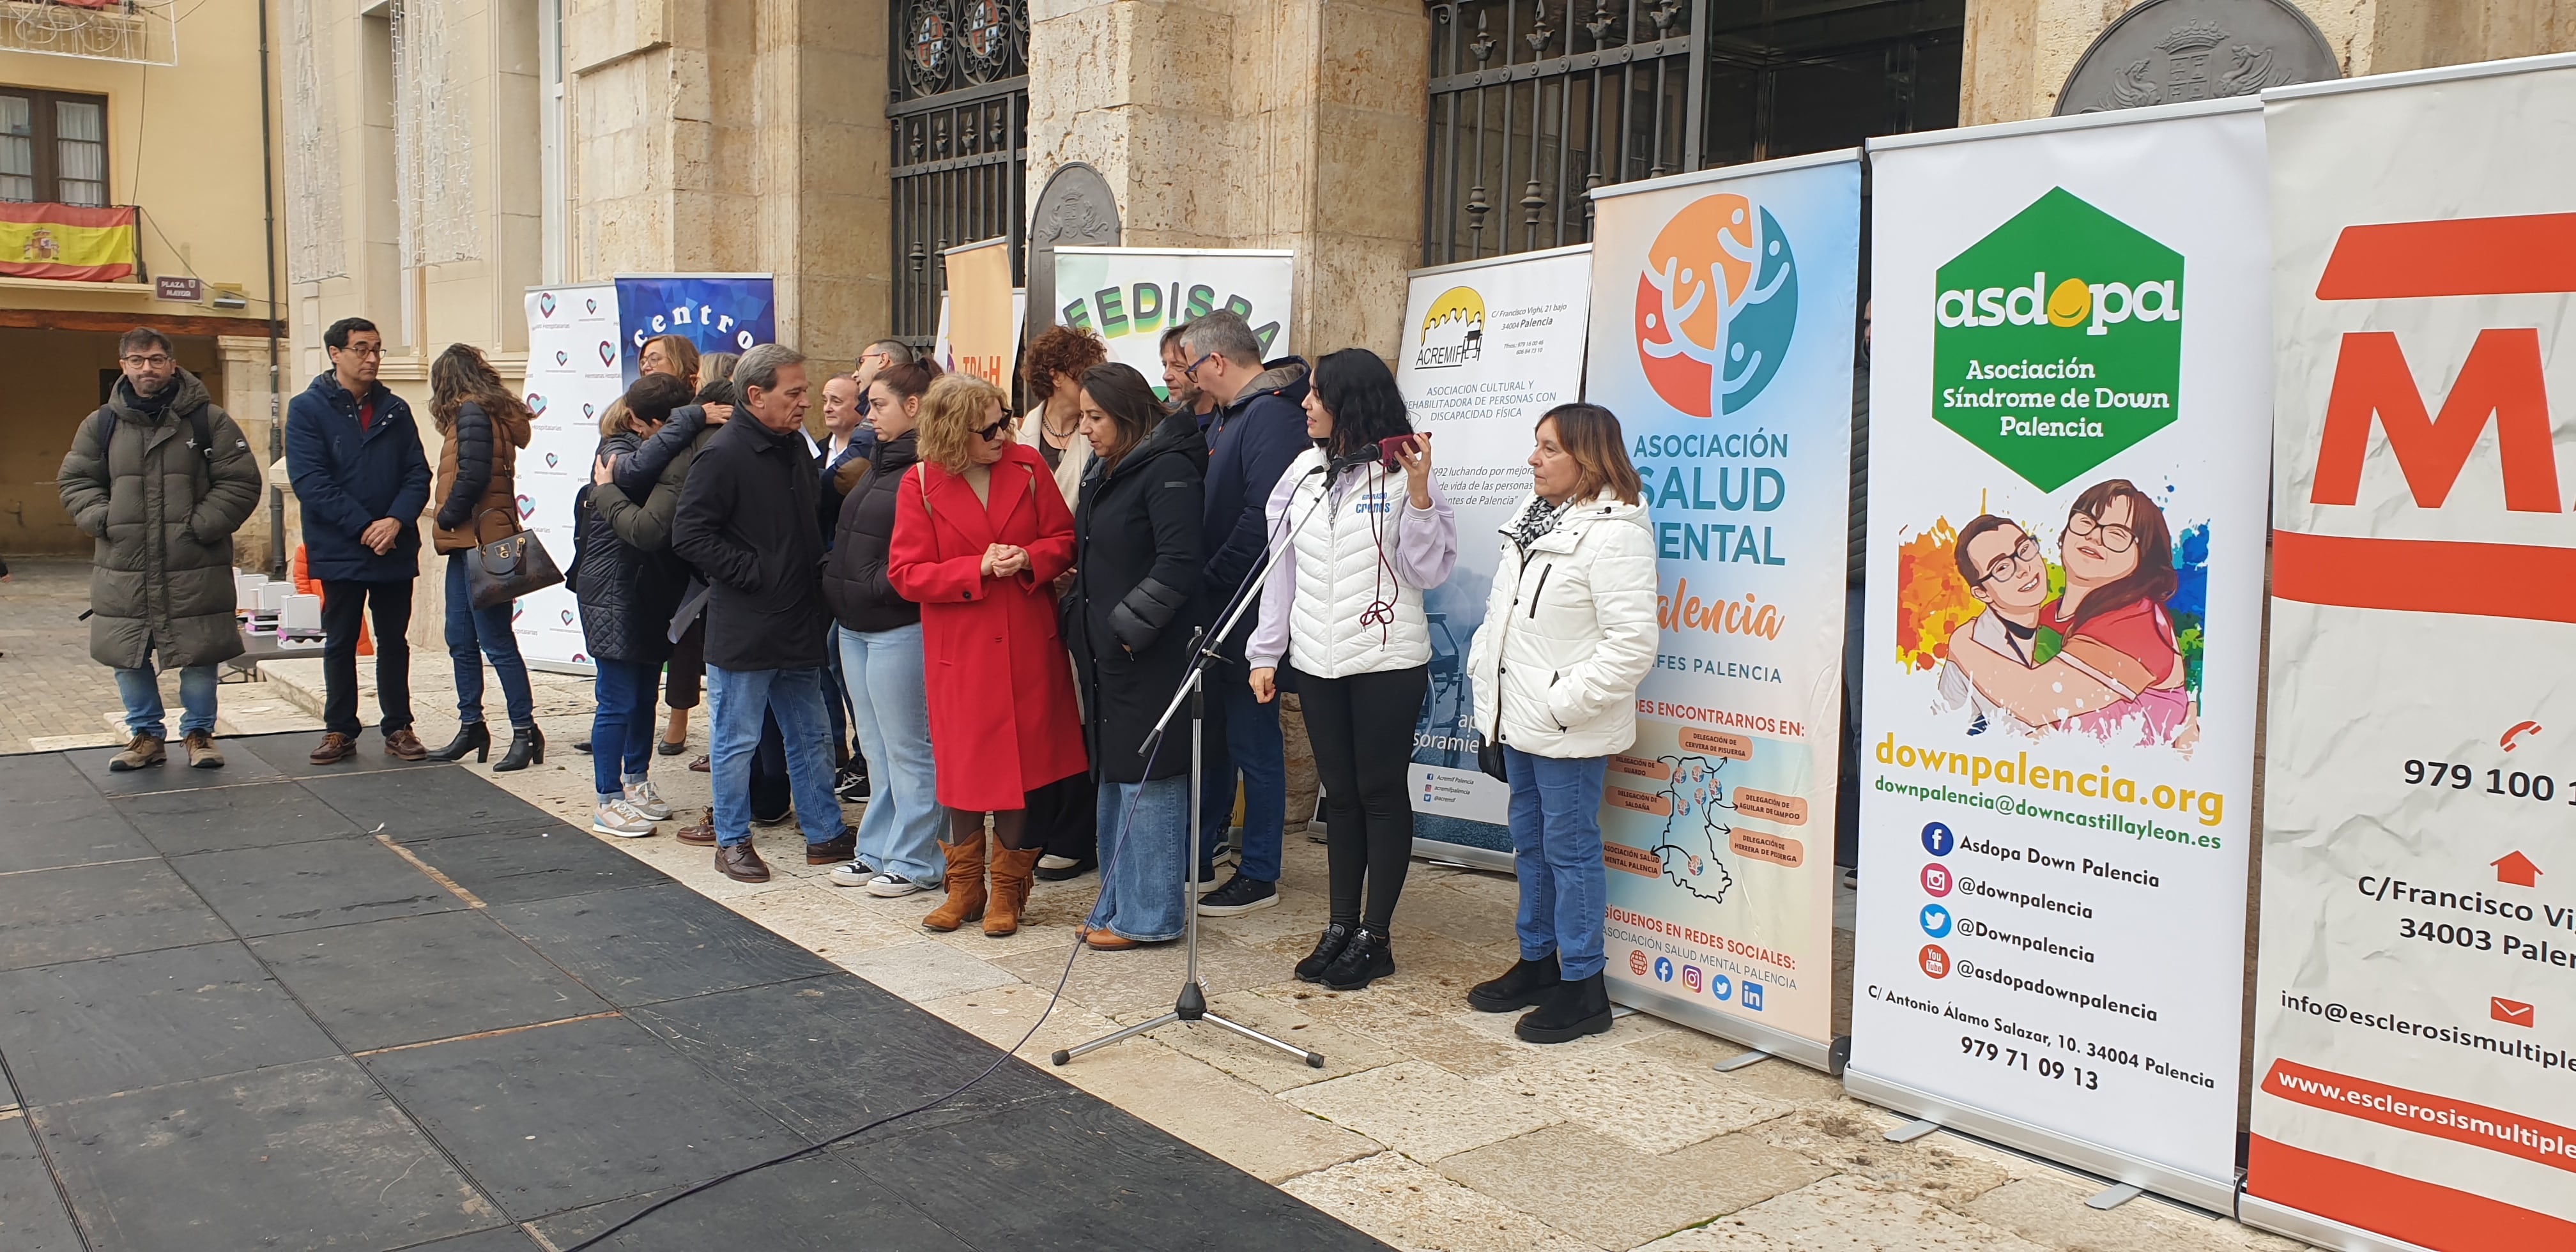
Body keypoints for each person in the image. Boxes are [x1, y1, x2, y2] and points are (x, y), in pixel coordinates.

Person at [1247, 349, 1457, 988]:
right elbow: (1278, 569)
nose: (1306, 404)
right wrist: (1266, 651)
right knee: (1340, 796)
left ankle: (1377, 935)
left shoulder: (1404, 474)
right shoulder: (1303, 474)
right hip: (1317, 660)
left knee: (1380, 792)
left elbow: (1428, 571)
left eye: (1317, 393)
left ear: (1350, 401)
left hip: (1388, 660)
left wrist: (1419, 498)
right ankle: (1340, 925)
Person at [1463, 403, 1657, 1044]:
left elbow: (1632, 644)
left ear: (1587, 459)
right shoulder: (1532, 518)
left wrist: (1560, 703)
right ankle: (1539, 959)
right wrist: (1491, 693)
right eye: (1536, 445)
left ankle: (1584, 987)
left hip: (1564, 727)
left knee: (1570, 850)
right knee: (1531, 843)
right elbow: (1505, 616)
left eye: (1548, 448)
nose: (1533, 458)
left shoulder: (1616, 532)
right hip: (1519, 717)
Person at [887, 373, 1087, 938]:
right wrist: (974, 568)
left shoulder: (1027, 468)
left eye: (1005, 420)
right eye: (991, 427)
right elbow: (906, 573)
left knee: (1023, 773)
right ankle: (965, 888)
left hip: (1026, 639)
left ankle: (1008, 893)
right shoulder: (920, 483)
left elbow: (1064, 540)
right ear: (955, 431)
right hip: (963, 650)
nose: (1005, 432)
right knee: (964, 775)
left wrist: (1027, 558)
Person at [670, 344, 854, 882]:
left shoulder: (793, 447)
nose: (805, 403)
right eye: (794, 393)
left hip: (798, 619)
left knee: (813, 733)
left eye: (805, 391)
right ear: (756, 396)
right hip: (747, 624)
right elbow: (690, 534)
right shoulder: (723, 454)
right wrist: (756, 573)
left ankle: (824, 833)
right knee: (736, 739)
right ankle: (731, 841)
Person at [56, 328, 261, 770]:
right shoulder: (101, 425)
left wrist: (199, 526)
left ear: (171, 363)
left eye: (154, 359)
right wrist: (104, 520)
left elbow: (241, 482)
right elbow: (75, 481)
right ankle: (145, 735)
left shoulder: (210, 421)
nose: (146, 368)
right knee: (127, 654)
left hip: (194, 563)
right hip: (123, 565)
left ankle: (200, 733)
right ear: (123, 364)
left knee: (199, 651)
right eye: (136, 360)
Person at [1064, 363, 1207, 949]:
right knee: (1116, 776)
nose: (1086, 430)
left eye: (1095, 417)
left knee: (1150, 779)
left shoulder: (1168, 469)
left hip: (1148, 654)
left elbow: (1178, 562)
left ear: (1127, 414)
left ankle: (1151, 917)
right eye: (1082, 418)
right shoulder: (1110, 467)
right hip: (1109, 654)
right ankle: (1116, 905)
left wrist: (1126, 632)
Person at [1179, 310, 1310, 913]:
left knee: (1255, 745)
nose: (1187, 378)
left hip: (1250, 608)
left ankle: (1260, 870)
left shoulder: (1273, 416)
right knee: (1216, 739)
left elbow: (1266, 519)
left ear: (1217, 362)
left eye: (1189, 366)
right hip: (1219, 606)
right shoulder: (1230, 417)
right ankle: (1202, 854)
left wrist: (1210, 580)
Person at [822, 358, 947, 896]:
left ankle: (918, 860)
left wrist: (878, 588)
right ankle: (876, 850)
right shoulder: (877, 459)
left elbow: (930, 556)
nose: (865, 414)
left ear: (913, 407)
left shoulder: (930, 468)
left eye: (877, 405)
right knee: (875, 746)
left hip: (899, 626)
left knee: (909, 747)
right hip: (856, 625)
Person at [288, 317, 433, 765]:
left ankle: (399, 727)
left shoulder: (395, 408)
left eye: (377, 349)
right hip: (339, 546)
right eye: (361, 349)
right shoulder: (308, 409)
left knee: (394, 640)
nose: (371, 358)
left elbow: (417, 473)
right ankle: (339, 730)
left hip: (393, 545)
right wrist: (364, 526)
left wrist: (395, 521)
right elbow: (311, 481)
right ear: (336, 354)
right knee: (341, 640)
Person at [576, 376, 697, 836]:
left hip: (647, 589)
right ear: (639, 421)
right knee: (617, 697)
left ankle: (636, 781)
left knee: (646, 693)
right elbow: (634, 471)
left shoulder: (655, 446)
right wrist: (694, 417)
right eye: (667, 425)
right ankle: (607, 798)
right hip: (613, 590)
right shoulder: (616, 450)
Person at [422, 343, 542, 771]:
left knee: (494, 640)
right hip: (473, 544)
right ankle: (472, 725)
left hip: (483, 542)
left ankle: (525, 731)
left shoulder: (471, 413)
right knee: (459, 636)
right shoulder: (484, 411)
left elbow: (472, 475)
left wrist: (447, 516)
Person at [1020, 325, 1110, 882]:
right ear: (1057, 377)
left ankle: (1078, 834)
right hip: (1030, 590)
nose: (1091, 384)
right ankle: (1041, 824)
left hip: (1082, 588)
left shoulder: (1098, 430)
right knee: (1040, 712)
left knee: (1080, 712)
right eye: (1084, 373)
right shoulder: (1020, 432)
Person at [1161, 322, 1216, 424]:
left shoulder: (1231, 421)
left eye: (1178, 366)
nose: (1166, 376)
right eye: (1165, 365)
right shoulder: (1158, 422)